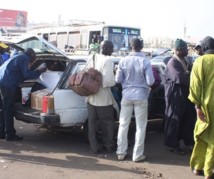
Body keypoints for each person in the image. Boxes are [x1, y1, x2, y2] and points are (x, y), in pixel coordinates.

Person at [115, 38, 155, 162]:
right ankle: (137, 155)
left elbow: (117, 80)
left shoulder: (123, 61)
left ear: (130, 46)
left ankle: (121, 152)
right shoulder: (145, 61)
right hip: (141, 96)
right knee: (141, 126)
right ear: (141, 46)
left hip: (126, 96)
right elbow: (151, 81)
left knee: (123, 124)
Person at [0, 48, 46, 141]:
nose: (34, 60)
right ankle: (10, 135)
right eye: (34, 57)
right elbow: (26, 74)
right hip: (8, 84)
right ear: (31, 55)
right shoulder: (24, 58)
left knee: (3, 109)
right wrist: (39, 71)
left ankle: (2, 133)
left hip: (2, 82)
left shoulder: (17, 56)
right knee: (8, 109)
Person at [163, 39, 196, 155]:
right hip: (175, 96)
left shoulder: (185, 61)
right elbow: (180, 78)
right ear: (178, 50)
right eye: (185, 50)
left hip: (185, 95)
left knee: (188, 119)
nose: (187, 51)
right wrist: (193, 79)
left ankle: (188, 142)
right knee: (175, 120)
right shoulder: (172, 62)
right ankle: (173, 145)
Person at [188, 36, 214, 179]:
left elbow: (195, 86)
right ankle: (209, 171)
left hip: (203, 107)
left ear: (203, 47)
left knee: (201, 136)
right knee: (213, 139)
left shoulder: (199, 62)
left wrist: (197, 106)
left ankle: (198, 168)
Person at [87, 40, 116, 153]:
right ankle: (109, 146)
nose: (113, 50)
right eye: (112, 48)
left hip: (90, 96)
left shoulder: (92, 57)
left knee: (92, 124)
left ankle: (94, 147)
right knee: (108, 123)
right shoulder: (107, 60)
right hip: (103, 98)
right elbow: (108, 81)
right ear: (106, 48)